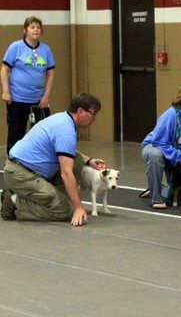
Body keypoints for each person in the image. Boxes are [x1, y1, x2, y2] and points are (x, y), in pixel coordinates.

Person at [1, 93, 105, 226]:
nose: (95, 118)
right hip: (21, 174)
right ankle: (14, 201)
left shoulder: (63, 119)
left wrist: (89, 160)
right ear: (80, 111)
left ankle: (53, 199)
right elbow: (66, 173)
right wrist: (78, 208)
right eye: (93, 113)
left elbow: (68, 151)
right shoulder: (66, 130)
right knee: (66, 210)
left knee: (77, 159)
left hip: (26, 169)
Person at [2, 16, 55, 154]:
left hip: (38, 101)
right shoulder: (16, 47)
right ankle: (13, 162)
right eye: (32, 27)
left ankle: (35, 163)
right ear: (25, 30)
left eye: (38, 27)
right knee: (16, 133)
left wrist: (46, 96)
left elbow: (50, 74)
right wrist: (6, 91)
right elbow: (4, 69)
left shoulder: (46, 50)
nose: (36, 30)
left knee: (39, 135)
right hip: (17, 99)